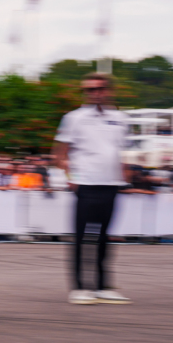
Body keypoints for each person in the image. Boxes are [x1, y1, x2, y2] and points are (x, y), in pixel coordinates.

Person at [53, 73, 132, 305]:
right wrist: (72, 178)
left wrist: (126, 177)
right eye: (89, 90)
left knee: (105, 237)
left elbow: (123, 151)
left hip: (112, 184)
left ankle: (102, 286)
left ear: (108, 90)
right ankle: (79, 288)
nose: (95, 93)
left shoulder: (121, 118)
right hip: (86, 184)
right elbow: (60, 152)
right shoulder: (74, 118)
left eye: (99, 89)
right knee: (81, 237)